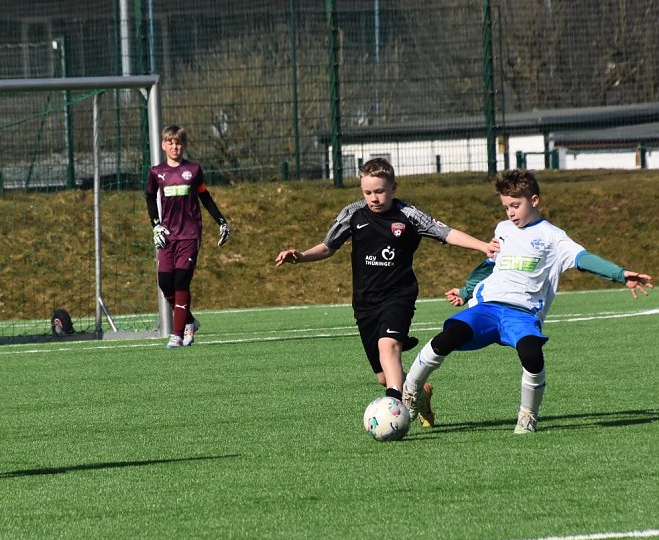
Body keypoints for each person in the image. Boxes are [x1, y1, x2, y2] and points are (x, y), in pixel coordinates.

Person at [403, 169, 653, 434]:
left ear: (534, 201)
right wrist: (466, 291)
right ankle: (411, 392)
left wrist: (619, 274)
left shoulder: (553, 237)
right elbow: (489, 265)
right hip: (487, 308)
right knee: (448, 336)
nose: (510, 212)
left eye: (515, 205)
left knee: (532, 352)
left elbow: (583, 259)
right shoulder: (502, 229)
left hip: (522, 314)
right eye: (506, 206)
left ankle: (527, 416)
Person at [275, 158, 496, 407]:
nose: (374, 198)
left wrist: (483, 246)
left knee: (388, 345)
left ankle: (394, 406)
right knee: (383, 375)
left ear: (393, 187)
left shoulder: (408, 215)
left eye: (379, 191)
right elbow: (328, 247)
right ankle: (419, 392)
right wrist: (302, 256)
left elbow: (445, 233)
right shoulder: (353, 213)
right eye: (367, 192)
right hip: (365, 302)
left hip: (398, 295)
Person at [146, 125, 231, 348]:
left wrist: (221, 221)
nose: (175, 146)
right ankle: (190, 321)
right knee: (165, 284)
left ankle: (177, 334)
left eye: (179, 142)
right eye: (171, 142)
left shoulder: (193, 170)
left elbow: (205, 197)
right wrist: (156, 225)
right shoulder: (157, 172)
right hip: (167, 236)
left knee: (181, 281)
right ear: (164, 145)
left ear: (184, 145)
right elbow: (149, 198)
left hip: (189, 234)